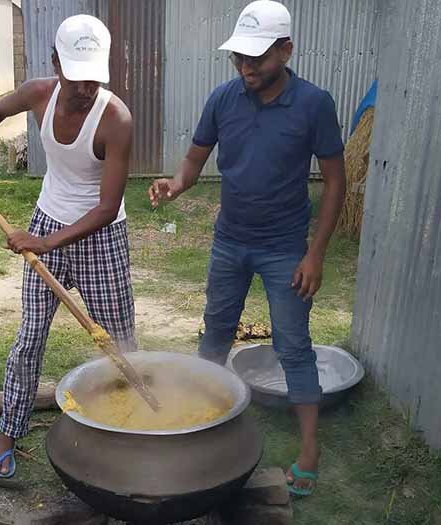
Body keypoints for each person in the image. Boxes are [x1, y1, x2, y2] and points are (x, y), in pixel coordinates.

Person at [148, 0, 346, 497]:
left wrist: (315, 253)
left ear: (286, 50)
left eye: (255, 57)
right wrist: (174, 185)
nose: (245, 67)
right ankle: (205, 423)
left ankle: (308, 448)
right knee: (214, 333)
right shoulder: (222, 99)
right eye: (238, 57)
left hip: (285, 248)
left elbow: (337, 183)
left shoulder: (314, 103)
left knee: (293, 345)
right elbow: (194, 162)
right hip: (230, 241)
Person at [0, 14, 135, 479]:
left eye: (94, 78)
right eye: (77, 76)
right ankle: (10, 428)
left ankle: (130, 430)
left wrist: (44, 243)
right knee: (29, 339)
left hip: (100, 238)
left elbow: (107, 208)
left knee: (118, 341)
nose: (87, 88)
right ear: (56, 62)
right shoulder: (38, 93)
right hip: (47, 220)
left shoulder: (116, 119)